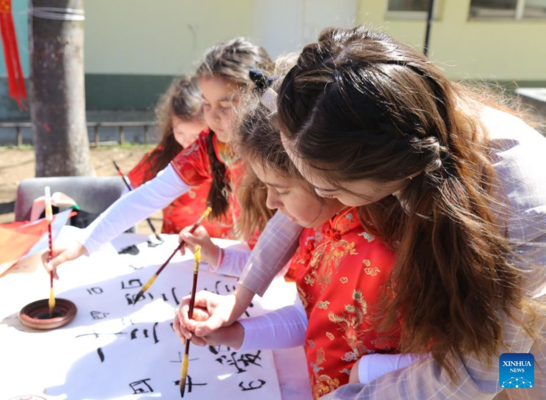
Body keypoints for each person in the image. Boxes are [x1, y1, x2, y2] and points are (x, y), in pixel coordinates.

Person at [175, 26, 546, 399]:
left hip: (529, 338)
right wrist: (239, 298)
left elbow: (479, 371)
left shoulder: (522, 211)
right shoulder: (345, 107)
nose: (278, 205)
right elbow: (293, 211)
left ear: (382, 173)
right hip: (464, 342)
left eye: (328, 189)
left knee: (522, 382)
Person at [44, 38, 273, 278]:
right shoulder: (210, 147)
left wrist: (221, 258)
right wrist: (83, 242)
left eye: (225, 106)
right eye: (206, 104)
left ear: (257, 100)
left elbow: (280, 256)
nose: (212, 117)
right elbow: (148, 196)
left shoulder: (279, 154)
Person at [126, 75, 231, 237]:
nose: (188, 143)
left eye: (196, 136)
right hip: (174, 245)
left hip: (220, 248)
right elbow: (130, 194)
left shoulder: (228, 158)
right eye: (179, 132)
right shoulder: (161, 156)